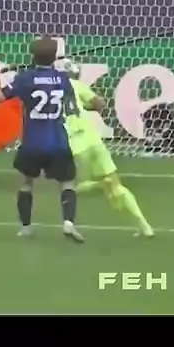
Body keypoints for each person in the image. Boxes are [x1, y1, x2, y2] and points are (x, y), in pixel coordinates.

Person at [0, 36, 83, 242]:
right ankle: (68, 223)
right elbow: (72, 100)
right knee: (67, 183)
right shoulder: (62, 79)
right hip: (58, 141)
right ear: (54, 56)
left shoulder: (25, 79)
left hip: (32, 142)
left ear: (32, 55)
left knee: (26, 183)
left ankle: (26, 227)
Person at [64, 60, 154, 238]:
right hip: (93, 139)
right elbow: (100, 103)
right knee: (117, 185)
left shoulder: (50, 89)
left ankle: (99, 184)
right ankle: (144, 226)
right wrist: (85, 107)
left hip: (75, 144)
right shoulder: (77, 86)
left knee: (72, 186)